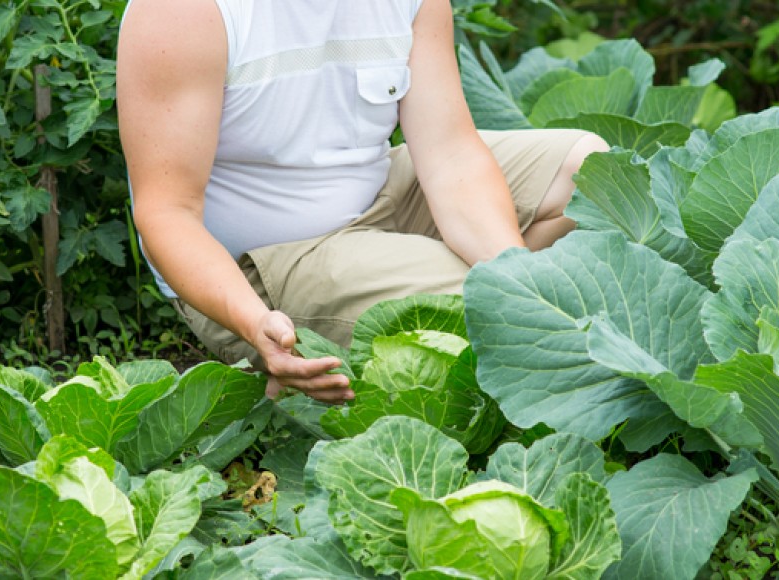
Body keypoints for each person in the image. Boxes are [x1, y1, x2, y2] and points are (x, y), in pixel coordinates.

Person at [116, 0, 609, 404]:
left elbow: (450, 153)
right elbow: (166, 213)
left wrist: (517, 278)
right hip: (255, 271)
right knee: (468, 300)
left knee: (591, 172)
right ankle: (295, 357)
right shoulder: (186, 11)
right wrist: (252, 324)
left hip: (377, 195)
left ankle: (515, 341)